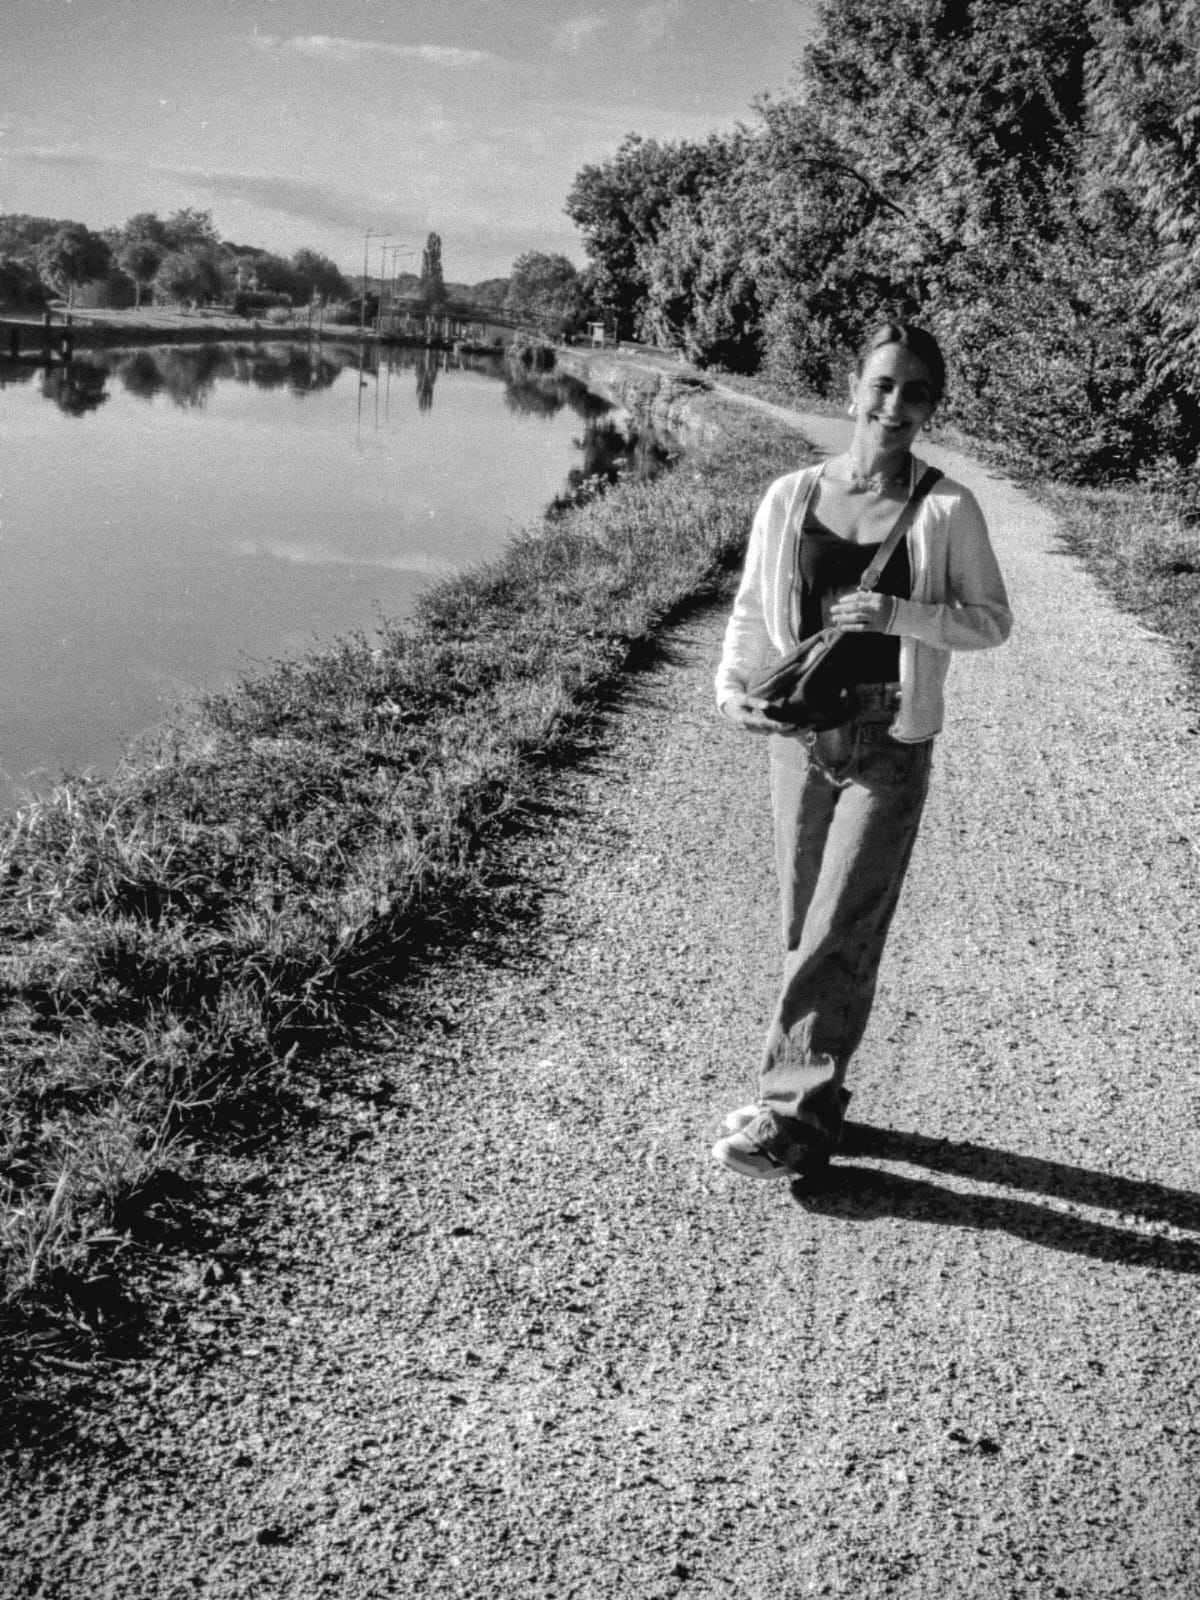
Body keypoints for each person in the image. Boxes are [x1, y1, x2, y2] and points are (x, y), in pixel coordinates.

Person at [711, 321, 1012, 1181]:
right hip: (801, 736)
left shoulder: (948, 508)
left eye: (916, 392)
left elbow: (991, 620)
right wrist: (733, 691)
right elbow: (746, 609)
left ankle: (791, 1120)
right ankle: (815, 1095)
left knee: (840, 926)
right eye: (883, 385)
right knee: (805, 923)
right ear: (852, 391)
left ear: (931, 409)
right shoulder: (790, 495)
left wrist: (898, 616)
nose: (895, 405)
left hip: (888, 737)